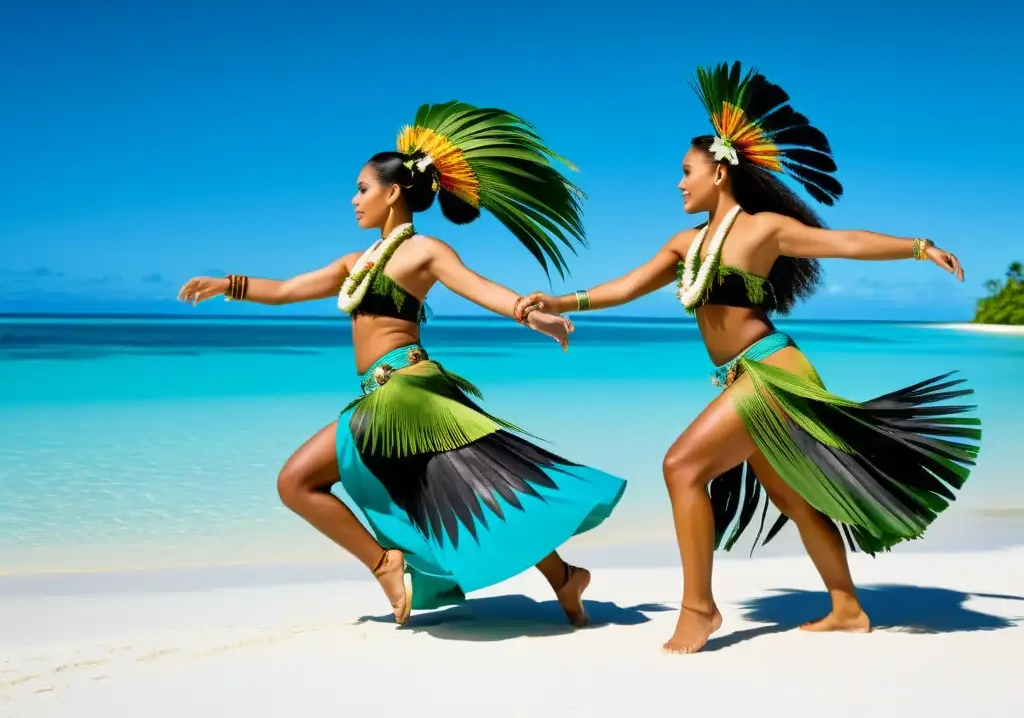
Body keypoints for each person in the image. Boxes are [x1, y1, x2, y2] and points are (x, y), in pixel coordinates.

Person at [515, 62, 981, 653]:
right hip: (738, 377)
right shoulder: (686, 245)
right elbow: (627, 287)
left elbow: (844, 242)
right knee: (790, 496)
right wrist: (559, 299)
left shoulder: (762, 231)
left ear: (719, 170)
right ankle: (846, 608)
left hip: (774, 370)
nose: (679, 184)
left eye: (686, 172)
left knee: (681, 466)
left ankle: (699, 608)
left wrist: (919, 247)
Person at [178, 101, 626, 627]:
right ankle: (564, 578)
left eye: (362, 189)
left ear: (392, 193)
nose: (353, 199)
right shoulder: (356, 263)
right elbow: (285, 290)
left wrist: (533, 314)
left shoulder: (424, 252)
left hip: (409, 393)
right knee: (472, 493)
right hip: (380, 396)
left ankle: (386, 562)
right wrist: (227, 283)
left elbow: (481, 289)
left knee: (298, 482)